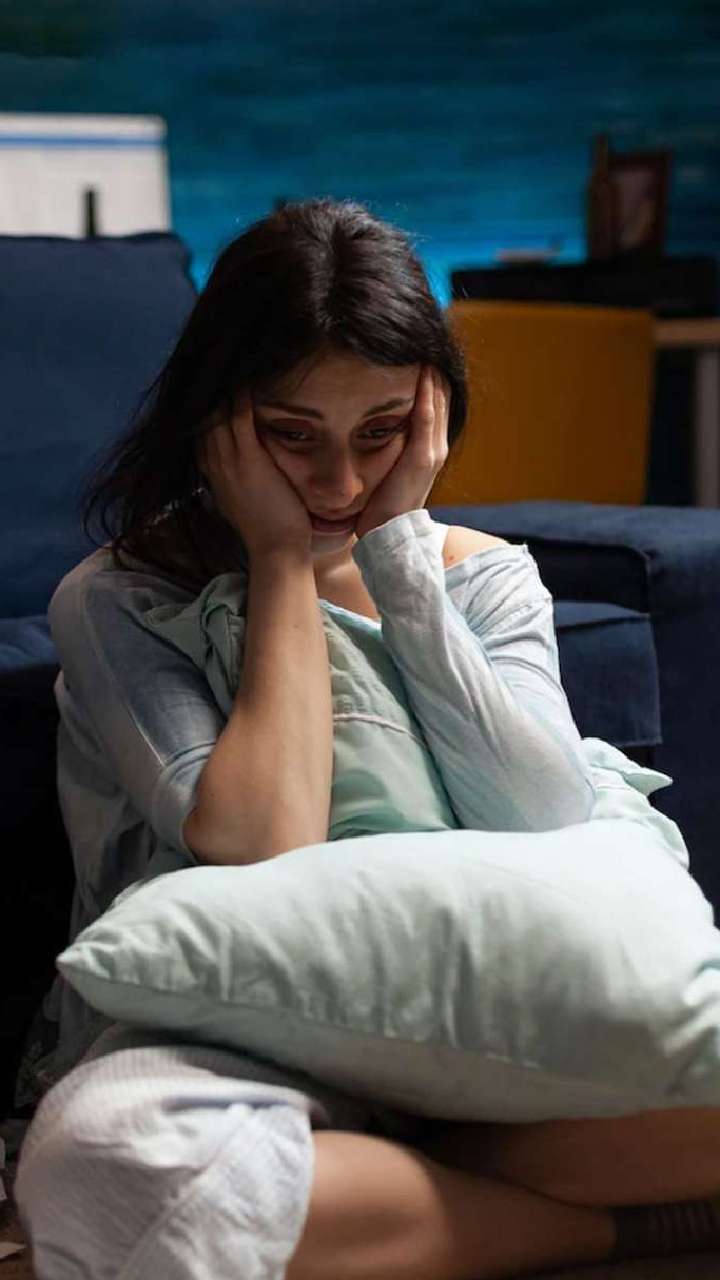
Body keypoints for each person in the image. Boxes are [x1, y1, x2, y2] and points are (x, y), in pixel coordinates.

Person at [14, 198, 720, 1279]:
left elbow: (537, 816)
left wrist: (398, 554)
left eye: (380, 434)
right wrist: (280, 562)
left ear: (428, 418)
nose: (340, 485)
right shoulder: (121, 599)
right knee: (108, 1162)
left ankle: (403, 1186)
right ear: (216, 418)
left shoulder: (485, 578)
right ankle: (601, 1225)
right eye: (291, 436)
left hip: (495, 1020)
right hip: (233, 1031)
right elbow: (263, 844)